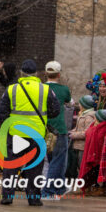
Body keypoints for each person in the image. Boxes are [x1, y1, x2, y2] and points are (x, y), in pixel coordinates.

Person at [0, 59, 60, 206]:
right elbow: (55, 111)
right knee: (34, 167)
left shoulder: (12, 89)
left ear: (21, 73)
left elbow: (3, 111)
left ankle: (7, 196)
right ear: (36, 73)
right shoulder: (45, 89)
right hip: (36, 134)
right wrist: (43, 118)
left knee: (11, 166)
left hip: (16, 133)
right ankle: (33, 198)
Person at [41, 61, 72, 200]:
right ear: (59, 74)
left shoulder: (40, 88)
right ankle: (47, 191)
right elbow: (69, 102)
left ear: (46, 73)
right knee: (57, 160)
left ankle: (60, 187)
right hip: (58, 128)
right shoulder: (64, 89)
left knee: (51, 158)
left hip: (42, 128)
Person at [78, 108, 106, 195]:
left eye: (96, 118)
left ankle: (99, 188)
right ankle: (94, 188)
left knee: (96, 172)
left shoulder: (100, 129)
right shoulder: (96, 127)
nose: (94, 119)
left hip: (97, 157)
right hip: (95, 156)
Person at [70, 95, 97, 176]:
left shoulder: (89, 116)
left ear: (85, 105)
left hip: (83, 146)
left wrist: (73, 135)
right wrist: (70, 132)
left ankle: (85, 183)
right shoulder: (83, 114)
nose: (79, 105)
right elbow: (78, 128)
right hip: (78, 145)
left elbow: (87, 133)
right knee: (79, 165)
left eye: (80, 104)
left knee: (82, 166)